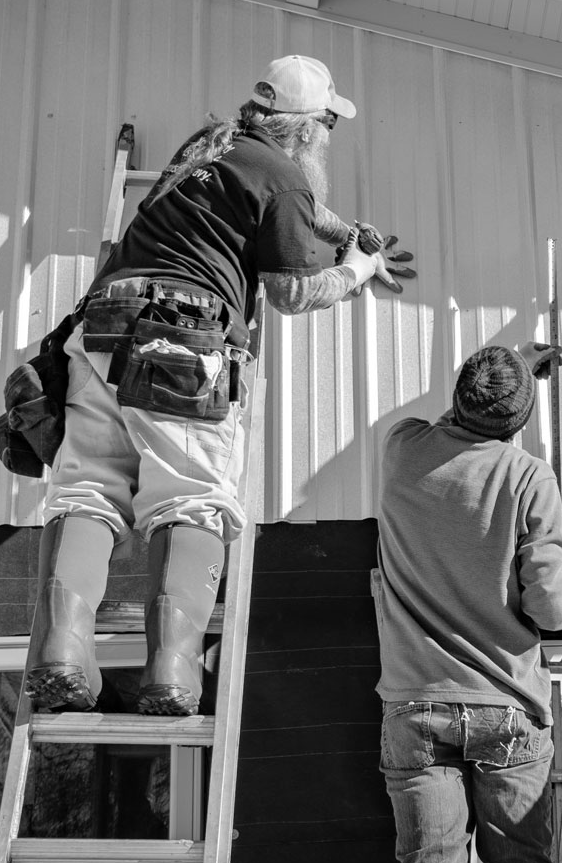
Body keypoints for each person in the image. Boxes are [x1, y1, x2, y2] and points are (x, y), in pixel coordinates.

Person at [25, 55, 415, 716]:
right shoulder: (285, 179)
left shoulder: (207, 147)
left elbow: (286, 208)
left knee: (87, 490)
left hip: (102, 327)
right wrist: (356, 268)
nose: (328, 138)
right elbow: (292, 292)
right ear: (307, 127)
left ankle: (61, 650)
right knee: (191, 498)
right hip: (183, 340)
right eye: (327, 125)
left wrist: (347, 233)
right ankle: (172, 672)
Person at [375, 343, 562, 863]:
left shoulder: (402, 451)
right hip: (507, 710)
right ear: (519, 421)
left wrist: (507, 374)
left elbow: (450, 427)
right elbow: (552, 608)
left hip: (416, 708)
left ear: (458, 397)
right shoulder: (528, 476)